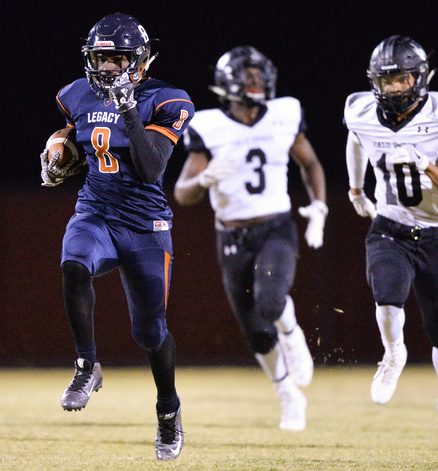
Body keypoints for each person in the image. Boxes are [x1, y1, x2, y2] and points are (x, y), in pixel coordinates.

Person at [39, 13, 194, 461]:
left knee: (150, 333)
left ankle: (168, 410)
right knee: (73, 264)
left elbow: (150, 168)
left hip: (145, 226)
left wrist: (128, 108)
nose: (107, 68)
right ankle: (86, 365)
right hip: (97, 214)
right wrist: (57, 148)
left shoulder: (168, 100)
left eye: (118, 58)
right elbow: (75, 132)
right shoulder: (75, 94)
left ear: (140, 61)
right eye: (101, 58)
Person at [174, 46, 327, 431]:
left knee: (271, 300)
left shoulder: (284, 114)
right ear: (228, 83)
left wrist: (319, 207)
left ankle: (292, 333)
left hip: (275, 226)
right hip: (231, 235)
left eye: (260, 76)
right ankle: (288, 394)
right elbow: (182, 193)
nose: (256, 83)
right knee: (256, 333)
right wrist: (204, 179)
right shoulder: (208, 125)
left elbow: (309, 162)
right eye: (248, 76)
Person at [343, 35, 438, 452]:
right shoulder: (360, 109)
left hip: (436, 235)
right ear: (374, 82)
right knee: (387, 294)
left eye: (402, 79)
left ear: (420, 78)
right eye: (387, 81)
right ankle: (394, 353)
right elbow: (355, 139)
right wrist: (356, 190)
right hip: (390, 225)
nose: (395, 88)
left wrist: (426, 165)